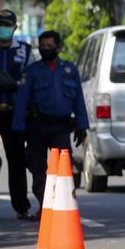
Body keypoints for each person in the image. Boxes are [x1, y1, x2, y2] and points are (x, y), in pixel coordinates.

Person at [12, 30, 88, 214]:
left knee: (63, 168)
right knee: (37, 168)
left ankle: (62, 206)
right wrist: (18, 128)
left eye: (50, 46)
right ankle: (44, 206)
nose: (46, 49)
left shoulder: (69, 69)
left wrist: (82, 126)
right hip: (37, 126)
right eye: (42, 46)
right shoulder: (33, 71)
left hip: (61, 127)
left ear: (58, 48)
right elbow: (22, 100)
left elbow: (78, 99)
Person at [0, 9, 34, 221]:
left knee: (17, 160)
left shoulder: (26, 51)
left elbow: (31, 82)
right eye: (0, 24)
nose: (3, 28)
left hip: (14, 113)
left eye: (7, 24)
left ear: (15, 27)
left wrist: (16, 84)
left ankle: (21, 207)